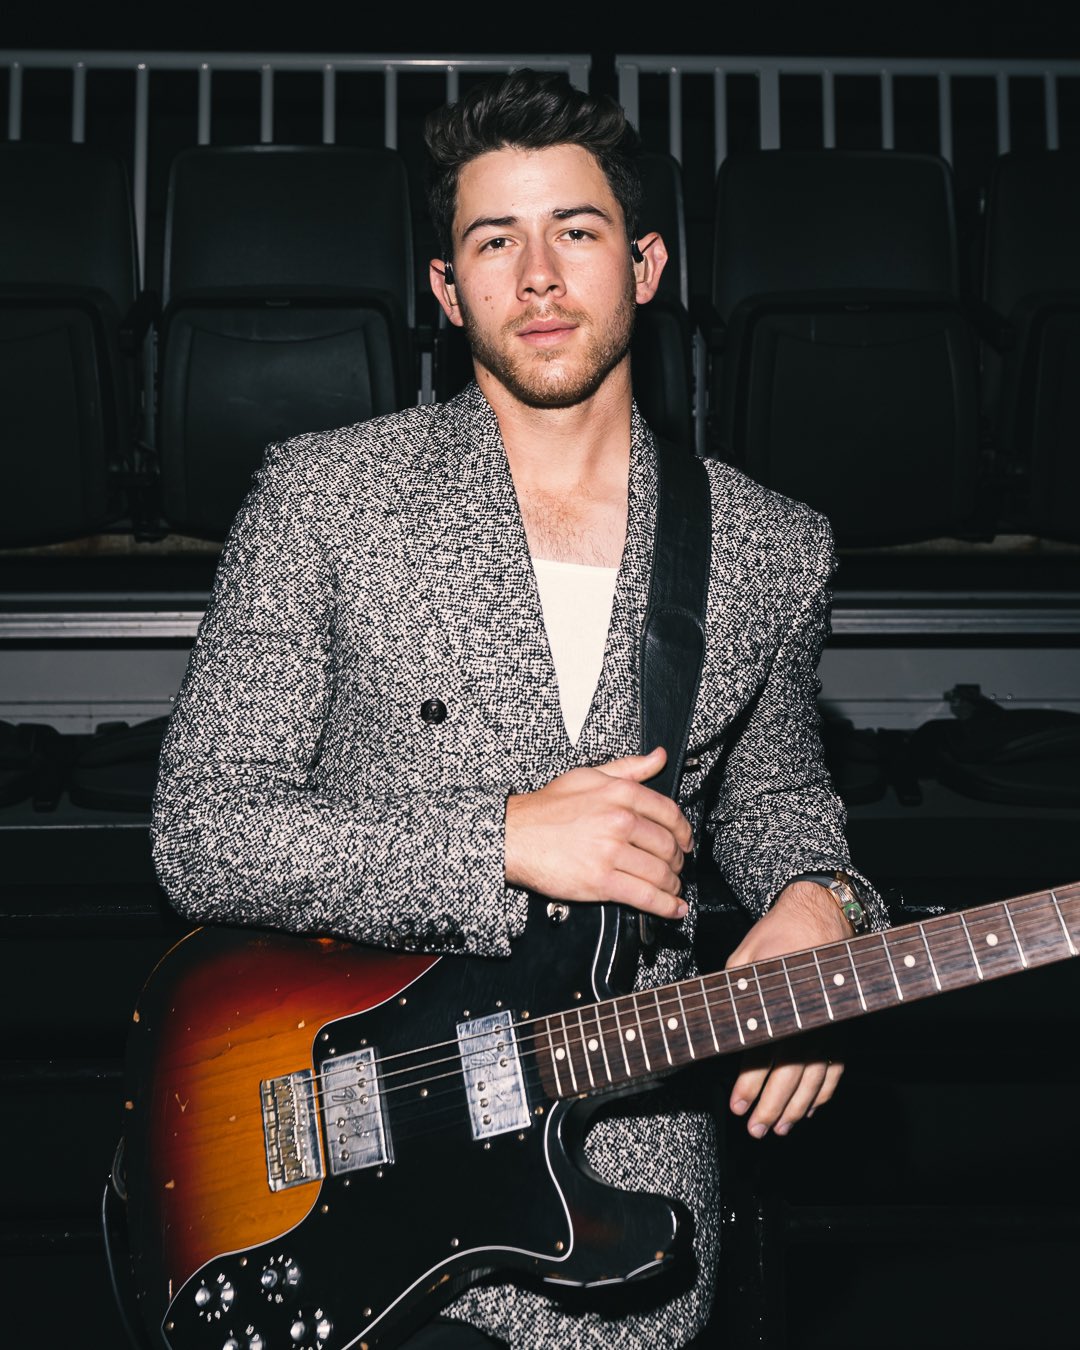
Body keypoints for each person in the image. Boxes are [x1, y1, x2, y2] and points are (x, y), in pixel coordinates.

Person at [151, 69, 885, 1350]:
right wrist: (497, 840)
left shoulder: (772, 545)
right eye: (496, 241)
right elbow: (201, 829)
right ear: (448, 292)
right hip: (342, 1135)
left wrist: (821, 901)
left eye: (578, 232)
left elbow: (772, 798)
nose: (539, 276)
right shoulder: (324, 500)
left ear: (646, 265)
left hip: (617, 1151)